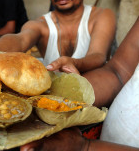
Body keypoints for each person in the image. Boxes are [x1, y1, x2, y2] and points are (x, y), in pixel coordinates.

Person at [20, 17, 139, 150]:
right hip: (106, 137)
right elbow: (119, 71)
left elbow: (99, 55)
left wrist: (85, 147)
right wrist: (67, 96)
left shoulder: (101, 16)